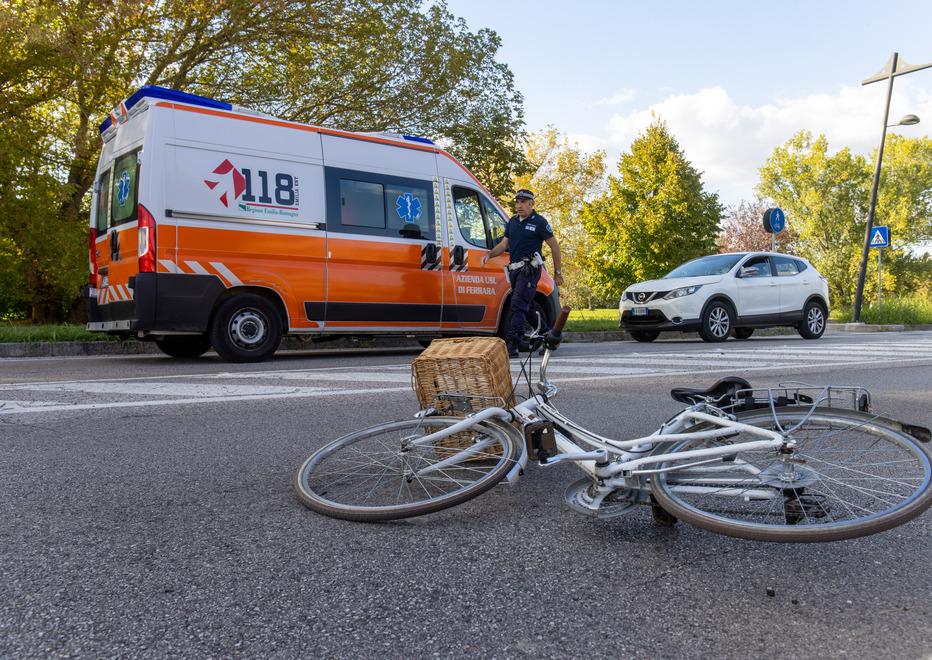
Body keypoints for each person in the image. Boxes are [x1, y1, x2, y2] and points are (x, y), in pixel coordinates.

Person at [481, 189, 563, 358]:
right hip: (514, 271)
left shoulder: (539, 222)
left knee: (517, 303)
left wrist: (558, 272)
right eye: (517, 202)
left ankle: (512, 343)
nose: (519, 205)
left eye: (523, 202)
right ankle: (548, 336)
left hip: (530, 270)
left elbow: (554, 247)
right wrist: (489, 254)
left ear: (531, 204)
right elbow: (504, 245)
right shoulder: (512, 222)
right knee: (527, 306)